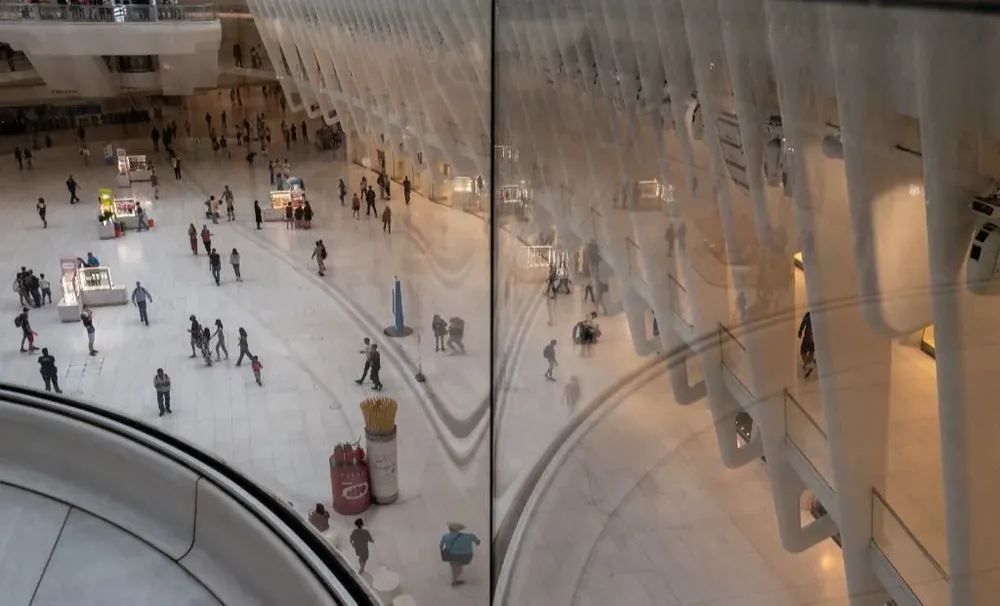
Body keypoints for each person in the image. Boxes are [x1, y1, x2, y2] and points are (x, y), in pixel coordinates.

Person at [440, 522, 480, 586]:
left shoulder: (445, 536)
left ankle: (454, 580)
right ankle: (458, 572)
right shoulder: (470, 536)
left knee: (454, 565)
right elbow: (478, 542)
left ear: (449, 529)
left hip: (452, 556)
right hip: (467, 556)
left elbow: (441, 546)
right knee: (459, 565)